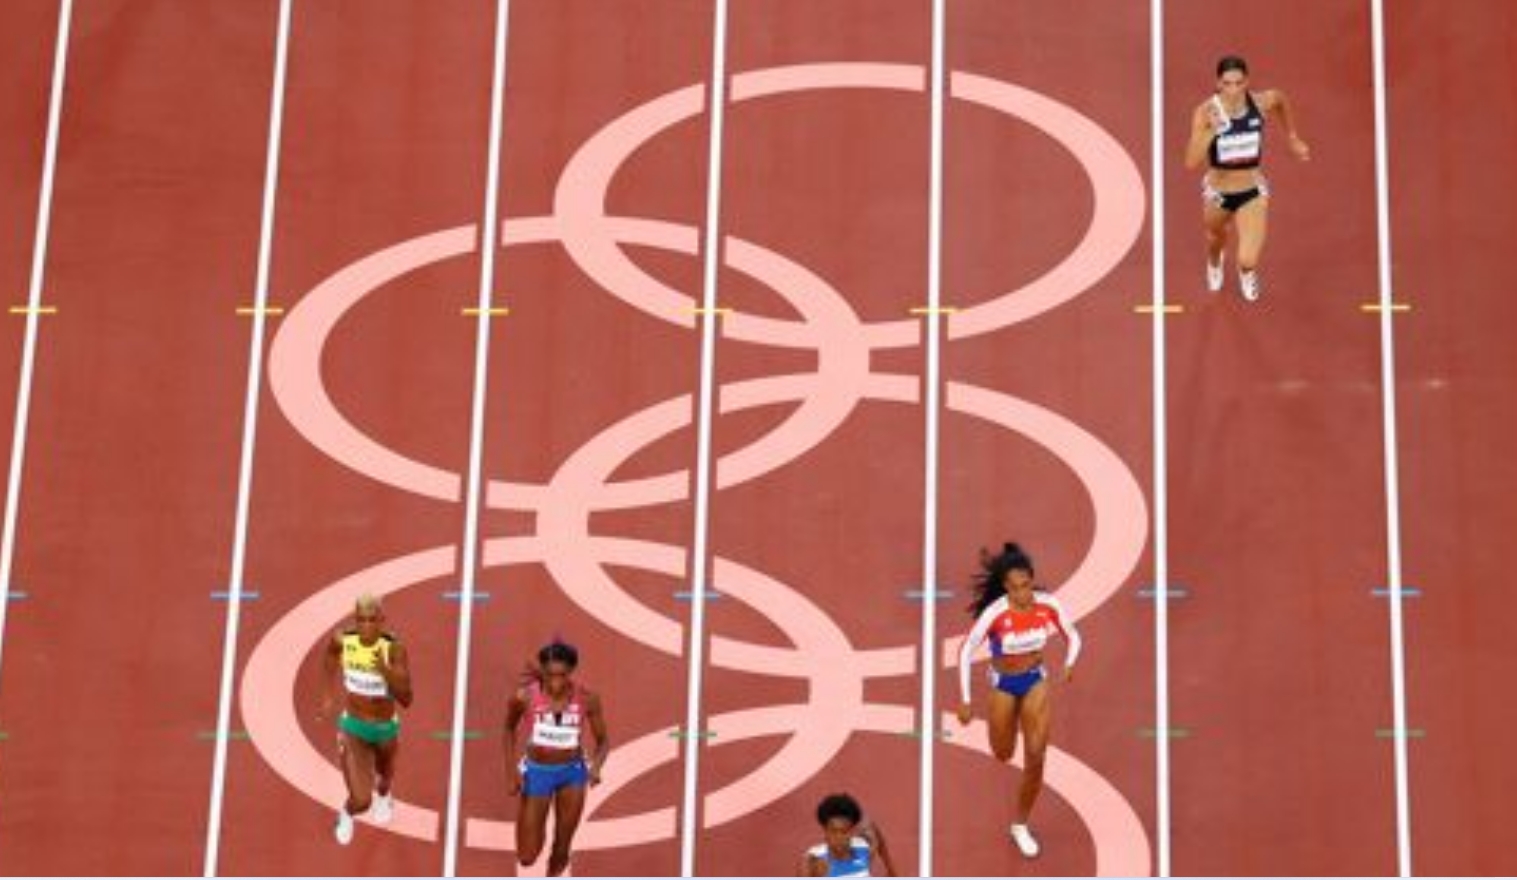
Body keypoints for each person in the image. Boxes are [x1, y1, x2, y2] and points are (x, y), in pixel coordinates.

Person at [954, 542, 1081, 859]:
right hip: (1003, 684)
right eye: (1014, 588)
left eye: (1026, 585)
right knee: (1003, 752)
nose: (1022, 593)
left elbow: (1074, 636)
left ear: (1032, 580)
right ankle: (1008, 731)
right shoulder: (995, 614)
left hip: (1035, 680)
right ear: (1005, 588)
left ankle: (1020, 824)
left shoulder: (1048, 605)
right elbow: (966, 651)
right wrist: (965, 700)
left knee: (1036, 756)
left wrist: (1069, 663)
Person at [1183, 54, 1311, 301]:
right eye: (1227, 84)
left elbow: (1280, 100)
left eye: (1239, 83)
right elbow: (1190, 162)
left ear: (1247, 82)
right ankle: (1214, 262)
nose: (1233, 90)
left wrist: (1293, 137)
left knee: (1247, 258)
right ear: (1218, 83)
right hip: (1218, 193)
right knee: (1215, 238)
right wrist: (1211, 131)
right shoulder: (1205, 112)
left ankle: (1247, 273)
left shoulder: (1261, 103)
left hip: (1251, 192)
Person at [504, 641, 609, 877]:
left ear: (571, 671)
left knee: (560, 852)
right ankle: (536, 825)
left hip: (572, 774)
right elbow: (508, 730)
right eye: (550, 675)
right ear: (542, 670)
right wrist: (511, 772)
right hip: (537, 772)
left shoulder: (588, 698)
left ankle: (556, 862)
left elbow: (603, 741)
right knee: (527, 856)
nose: (556, 683)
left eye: (562, 675)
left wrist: (596, 767)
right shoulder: (523, 697)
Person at [319, 593, 413, 845]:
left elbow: (406, 698)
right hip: (353, 726)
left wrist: (384, 671)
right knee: (361, 800)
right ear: (355, 619)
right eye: (361, 619)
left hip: (386, 729)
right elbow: (330, 657)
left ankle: (385, 796)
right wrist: (327, 694)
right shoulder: (342, 639)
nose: (366, 625)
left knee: (384, 781)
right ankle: (347, 813)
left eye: (372, 619)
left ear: (382, 620)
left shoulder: (393, 648)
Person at [800, 793, 897, 877]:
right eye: (833, 831)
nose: (839, 838)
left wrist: (891, 871)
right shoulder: (813, 860)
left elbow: (872, 828)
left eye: (844, 832)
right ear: (825, 831)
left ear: (852, 831)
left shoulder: (863, 847)